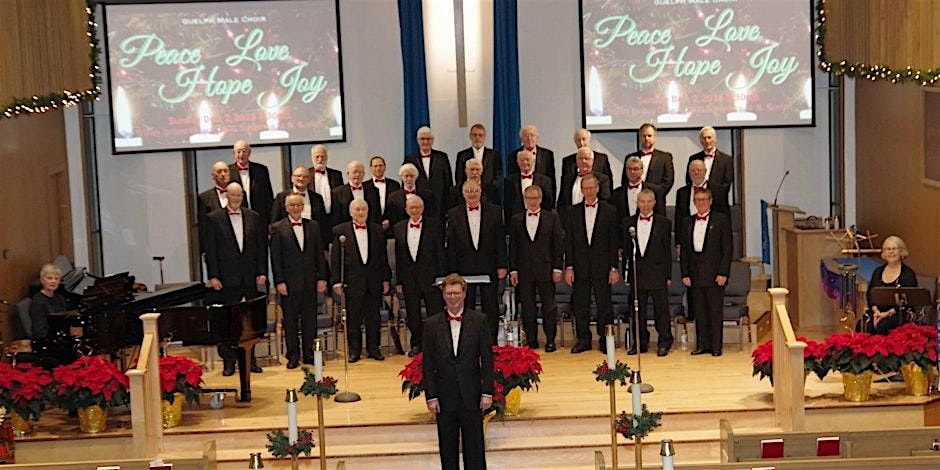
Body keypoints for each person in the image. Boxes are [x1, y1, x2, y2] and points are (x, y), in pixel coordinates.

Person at [423, 274, 494, 470]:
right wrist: (431, 396)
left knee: (475, 450)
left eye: (456, 293)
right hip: (444, 397)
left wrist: (487, 392)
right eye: (448, 293)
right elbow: (428, 364)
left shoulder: (479, 320)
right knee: (447, 450)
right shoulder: (431, 324)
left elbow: (487, 359)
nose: (452, 297)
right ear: (443, 295)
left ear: (464, 294)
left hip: (471, 394)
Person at [204, 182, 268, 375]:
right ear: (226, 196)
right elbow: (211, 251)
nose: (236, 198)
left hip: (249, 278)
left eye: (239, 195)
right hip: (226, 279)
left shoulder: (253, 217)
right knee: (227, 322)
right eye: (233, 195)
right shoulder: (213, 218)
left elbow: (259, 247)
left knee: (250, 321)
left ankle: (250, 360)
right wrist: (213, 276)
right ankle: (229, 362)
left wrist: (261, 271)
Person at [270, 193, 330, 369]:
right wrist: (279, 281)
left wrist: (322, 278)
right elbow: (276, 258)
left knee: (310, 320)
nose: (296, 208)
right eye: (292, 205)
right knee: (290, 321)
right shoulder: (277, 228)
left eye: (298, 205)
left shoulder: (313, 226)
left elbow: (320, 254)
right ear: (286, 207)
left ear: (303, 207)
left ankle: (309, 354)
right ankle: (293, 356)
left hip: (310, 281)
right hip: (288, 284)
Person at [564, 175, 620, 354]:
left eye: (591, 188)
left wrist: (613, 267)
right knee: (581, 304)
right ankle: (583, 340)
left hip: (603, 266)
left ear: (597, 188)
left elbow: (613, 242)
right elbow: (569, 242)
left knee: (604, 304)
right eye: (584, 188)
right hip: (579, 266)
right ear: (581, 190)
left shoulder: (610, 210)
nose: (588, 191)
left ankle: (605, 340)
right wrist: (569, 267)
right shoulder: (572, 212)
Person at [331, 199, 392, 362]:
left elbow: (382, 258)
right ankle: (354, 351)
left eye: (363, 209)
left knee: (374, 317)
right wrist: (337, 281)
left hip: (374, 281)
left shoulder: (377, 230)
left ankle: (374, 349)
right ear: (351, 212)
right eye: (357, 209)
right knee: (353, 318)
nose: (360, 212)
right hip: (352, 282)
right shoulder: (340, 231)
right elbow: (336, 258)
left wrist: (386, 279)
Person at [446, 180, 508, 339]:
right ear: (463, 193)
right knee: (467, 305)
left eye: (475, 190)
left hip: (489, 266)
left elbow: (500, 240)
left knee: (490, 305)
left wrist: (502, 265)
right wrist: (453, 271)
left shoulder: (495, 211)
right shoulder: (453, 214)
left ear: (480, 192)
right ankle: (469, 340)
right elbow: (451, 245)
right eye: (468, 191)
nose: (472, 194)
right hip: (464, 269)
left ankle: (491, 340)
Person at [509, 185, 565, 352]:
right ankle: (531, 340)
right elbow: (513, 247)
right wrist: (513, 270)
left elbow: (558, 244)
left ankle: (550, 340)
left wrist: (557, 268)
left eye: (535, 198)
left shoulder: (552, 218)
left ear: (540, 199)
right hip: (524, 269)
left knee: (549, 306)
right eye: (529, 198)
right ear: (524, 200)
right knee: (527, 306)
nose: (532, 202)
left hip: (546, 269)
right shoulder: (516, 219)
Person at [680, 189, 732, 356]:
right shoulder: (687, 221)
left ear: (710, 201)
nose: (701, 203)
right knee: (699, 311)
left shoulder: (721, 220)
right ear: (694, 202)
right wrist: (685, 274)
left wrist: (723, 273)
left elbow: (727, 249)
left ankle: (716, 347)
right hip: (695, 274)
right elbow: (685, 252)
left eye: (704, 199)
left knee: (715, 311)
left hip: (715, 274)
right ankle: (702, 345)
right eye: (697, 200)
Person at [393, 195, 446, 356]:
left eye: (417, 207)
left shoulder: (434, 225)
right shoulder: (399, 227)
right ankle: (417, 344)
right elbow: (399, 256)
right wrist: (400, 280)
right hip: (409, 279)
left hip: (431, 278)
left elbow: (440, 253)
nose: (414, 210)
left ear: (422, 208)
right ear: (406, 209)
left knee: (435, 313)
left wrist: (441, 277)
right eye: (411, 207)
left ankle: (437, 345)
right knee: (413, 315)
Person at [622, 189, 673, 356]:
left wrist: (668, 275)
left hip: (658, 273)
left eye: (648, 202)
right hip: (638, 273)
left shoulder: (664, 223)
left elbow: (667, 252)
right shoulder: (628, 223)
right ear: (637, 203)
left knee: (661, 310)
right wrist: (626, 274)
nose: (645, 205)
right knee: (637, 310)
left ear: (654, 203)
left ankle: (665, 340)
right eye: (642, 202)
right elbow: (627, 253)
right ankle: (640, 342)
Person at [858, 235, 919, 334]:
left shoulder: (908, 274)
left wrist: (886, 314)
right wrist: (876, 311)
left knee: (883, 326)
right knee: (863, 325)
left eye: (894, 249)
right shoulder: (878, 272)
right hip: (877, 312)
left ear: (901, 251)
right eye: (888, 249)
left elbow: (909, 300)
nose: (891, 252)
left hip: (899, 313)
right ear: (884, 253)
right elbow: (870, 295)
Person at [271, 166, 329, 246]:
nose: (301, 179)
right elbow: (275, 223)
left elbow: (323, 224)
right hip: (288, 244)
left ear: (309, 180)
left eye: (305, 177)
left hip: (312, 243)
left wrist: (325, 247)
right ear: (292, 178)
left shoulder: (317, 198)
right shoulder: (281, 197)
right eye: (298, 176)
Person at [623, 123, 674, 213]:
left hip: (655, 204)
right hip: (633, 202)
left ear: (654, 137)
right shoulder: (630, 157)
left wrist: (652, 197)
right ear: (640, 137)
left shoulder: (665, 157)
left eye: (649, 136)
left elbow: (668, 181)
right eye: (644, 136)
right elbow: (625, 180)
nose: (646, 138)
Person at [404, 126, 453, 219]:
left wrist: (448, 207)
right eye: (422, 139)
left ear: (433, 140)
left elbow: (448, 183)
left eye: (428, 139)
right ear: (417, 140)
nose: (425, 142)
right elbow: (406, 182)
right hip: (418, 206)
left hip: (439, 205)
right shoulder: (410, 158)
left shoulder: (442, 157)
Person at [686, 126, 733, 214]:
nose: (707, 141)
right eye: (704, 138)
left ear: (715, 139)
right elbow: (689, 180)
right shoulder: (693, 158)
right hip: (697, 205)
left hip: (718, 206)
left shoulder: (727, 160)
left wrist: (708, 197)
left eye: (709, 137)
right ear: (700, 140)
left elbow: (726, 185)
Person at [228, 140, 275, 227]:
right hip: (236, 219)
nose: (241, 155)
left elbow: (268, 197)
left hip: (260, 219)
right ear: (234, 153)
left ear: (249, 153)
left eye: (244, 151)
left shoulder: (261, 170)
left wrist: (270, 221)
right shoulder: (228, 171)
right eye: (238, 152)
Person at [503, 149, 554, 220]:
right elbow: (507, 205)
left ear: (533, 161)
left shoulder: (545, 181)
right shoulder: (509, 181)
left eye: (527, 159)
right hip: (517, 222)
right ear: (517, 162)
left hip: (540, 220)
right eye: (522, 160)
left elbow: (548, 204)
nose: (525, 162)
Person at [455, 123, 503, 198]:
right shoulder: (462, 155)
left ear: (484, 137)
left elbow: (498, 175)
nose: (477, 138)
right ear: (470, 136)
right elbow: (459, 177)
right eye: (474, 135)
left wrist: (489, 189)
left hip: (489, 196)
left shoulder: (494, 155)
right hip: (468, 195)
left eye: (480, 135)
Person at [509, 125, 556, 197]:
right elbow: (511, 179)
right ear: (521, 139)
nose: (529, 138)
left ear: (537, 138)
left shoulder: (547, 154)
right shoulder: (513, 155)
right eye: (526, 135)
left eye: (532, 135)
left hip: (542, 198)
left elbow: (551, 179)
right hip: (519, 199)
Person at [331, 160, 382, 226]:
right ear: (348, 174)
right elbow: (336, 217)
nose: (357, 175)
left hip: (370, 230)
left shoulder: (373, 191)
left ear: (364, 174)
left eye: (360, 172)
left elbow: (377, 214)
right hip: (347, 232)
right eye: (355, 172)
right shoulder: (337, 192)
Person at [196, 161, 231, 253]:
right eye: (219, 171)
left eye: (225, 171)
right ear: (213, 175)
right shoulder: (204, 198)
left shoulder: (239, 194)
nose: (223, 174)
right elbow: (203, 226)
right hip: (215, 248)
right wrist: (204, 250)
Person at [387, 163, 437, 228]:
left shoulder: (427, 195)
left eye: (412, 176)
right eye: (406, 176)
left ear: (416, 177)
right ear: (401, 177)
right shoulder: (393, 197)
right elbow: (392, 219)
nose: (409, 179)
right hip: (401, 232)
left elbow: (431, 215)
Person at [28, 264, 67, 340]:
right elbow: (39, 331)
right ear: (42, 280)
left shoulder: (60, 299)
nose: (53, 281)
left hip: (58, 337)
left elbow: (63, 322)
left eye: (56, 279)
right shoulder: (38, 301)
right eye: (49, 278)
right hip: (46, 340)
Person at [363, 155, 400, 233]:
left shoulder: (395, 185)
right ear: (370, 168)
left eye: (380, 165)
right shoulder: (364, 186)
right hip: (371, 226)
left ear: (385, 167)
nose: (378, 168)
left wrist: (389, 220)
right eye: (375, 166)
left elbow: (397, 206)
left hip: (391, 226)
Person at [307, 144, 345, 221]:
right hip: (314, 218)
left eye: (322, 156)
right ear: (312, 157)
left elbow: (341, 196)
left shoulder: (336, 174)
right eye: (317, 156)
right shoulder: (306, 174)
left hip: (334, 217)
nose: (320, 159)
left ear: (327, 157)